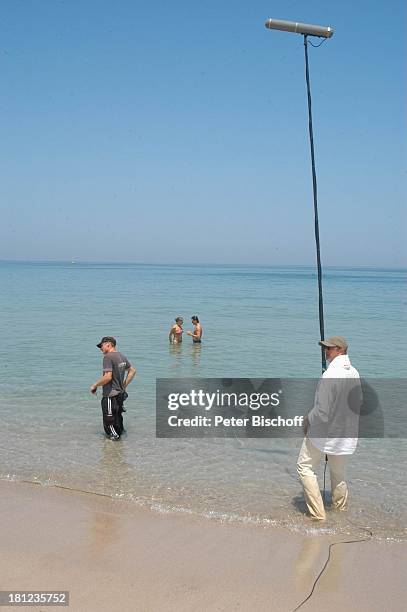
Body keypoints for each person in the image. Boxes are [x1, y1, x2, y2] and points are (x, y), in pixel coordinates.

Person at [297, 336, 361, 521]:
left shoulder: (330, 374)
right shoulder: (354, 372)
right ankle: (340, 510)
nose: (326, 351)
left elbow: (323, 412)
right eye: (326, 348)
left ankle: (318, 515)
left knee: (304, 467)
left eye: (330, 348)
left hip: (326, 433)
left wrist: (308, 419)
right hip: (346, 433)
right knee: (338, 473)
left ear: (340, 350)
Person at [90, 336, 136, 440]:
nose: (100, 349)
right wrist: (123, 386)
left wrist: (95, 385)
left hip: (110, 395)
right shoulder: (121, 356)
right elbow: (132, 371)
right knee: (118, 418)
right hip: (119, 394)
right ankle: (120, 445)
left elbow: (107, 377)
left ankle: (114, 442)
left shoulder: (108, 357)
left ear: (108, 344)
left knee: (109, 420)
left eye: (101, 346)